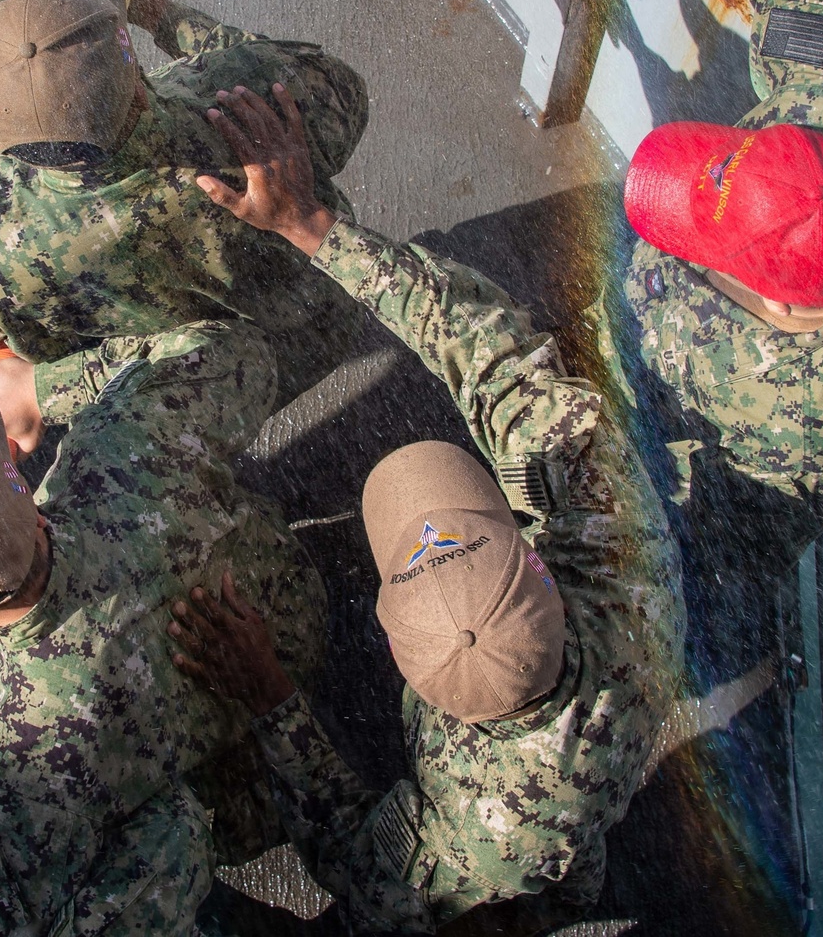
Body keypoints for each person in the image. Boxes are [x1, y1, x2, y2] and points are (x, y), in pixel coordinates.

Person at [166, 84, 685, 933]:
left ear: (401, 667)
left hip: (517, 847)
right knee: (576, 853)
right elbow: (492, 354)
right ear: (535, 560)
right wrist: (315, 225)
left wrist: (271, 698)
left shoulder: (470, 834)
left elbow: (356, 865)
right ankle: (577, 880)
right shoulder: (631, 565)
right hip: (603, 767)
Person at [0, 320, 326, 936]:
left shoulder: (15, 758)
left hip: (235, 803)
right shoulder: (119, 446)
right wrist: (44, 389)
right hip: (295, 620)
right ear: (15, 479)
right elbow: (240, 352)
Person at [0, 0, 369, 420]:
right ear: (140, 87)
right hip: (325, 319)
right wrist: (164, 16)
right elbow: (345, 93)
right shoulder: (236, 96)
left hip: (179, 399)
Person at [586, 0, 823, 569]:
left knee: (714, 545)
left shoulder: (769, 388)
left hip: (761, 482)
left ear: (783, 306)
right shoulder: (822, 90)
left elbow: (665, 338)